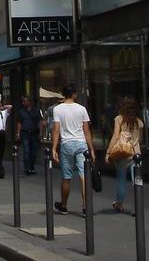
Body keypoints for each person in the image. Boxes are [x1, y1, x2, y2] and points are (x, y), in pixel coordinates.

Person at [51, 84, 95, 217]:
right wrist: (91, 149)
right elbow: (86, 131)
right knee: (84, 176)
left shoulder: (57, 109)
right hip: (81, 144)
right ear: (74, 94)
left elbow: (56, 130)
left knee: (66, 176)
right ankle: (85, 207)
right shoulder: (82, 109)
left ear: (64, 95)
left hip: (67, 144)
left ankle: (64, 206)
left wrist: (54, 148)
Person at [106, 96, 144, 213]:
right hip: (136, 154)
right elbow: (140, 139)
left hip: (123, 153)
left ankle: (119, 203)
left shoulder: (119, 119)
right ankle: (137, 208)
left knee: (121, 179)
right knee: (136, 181)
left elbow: (115, 136)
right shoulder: (139, 122)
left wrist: (108, 152)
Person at [15, 95, 45, 175]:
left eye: (25, 101)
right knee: (26, 151)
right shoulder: (21, 112)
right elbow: (19, 123)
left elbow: (40, 122)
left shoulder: (36, 111)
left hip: (34, 133)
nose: (23, 103)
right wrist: (18, 134)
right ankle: (27, 168)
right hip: (25, 133)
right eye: (22, 101)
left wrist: (41, 133)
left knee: (33, 152)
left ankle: (32, 167)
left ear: (29, 102)